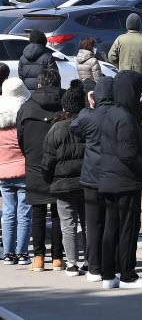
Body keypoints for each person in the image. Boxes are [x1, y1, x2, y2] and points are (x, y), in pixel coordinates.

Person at [99, 70, 142, 289]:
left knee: (111, 227)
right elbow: (128, 154)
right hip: (125, 181)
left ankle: (108, 274)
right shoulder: (126, 118)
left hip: (110, 179)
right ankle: (128, 275)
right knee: (128, 228)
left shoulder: (112, 113)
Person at [17, 69, 63, 272]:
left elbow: (21, 138)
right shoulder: (66, 104)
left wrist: (30, 156)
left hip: (35, 164)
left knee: (37, 211)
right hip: (61, 165)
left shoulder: (26, 108)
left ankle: (38, 258)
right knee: (58, 212)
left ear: (38, 85)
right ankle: (58, 258)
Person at [42, 81, 88, 276]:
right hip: (87, 183)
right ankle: (89, 260)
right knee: (89, 224)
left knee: (68, 224)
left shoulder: (56, 128)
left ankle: (71, 263)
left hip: (62, 184)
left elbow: (48, 159)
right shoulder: (88, 125)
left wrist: (48, 178)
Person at [70, 76, 113, 282]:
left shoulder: (89, 116)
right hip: (113, 175)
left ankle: (94, 268)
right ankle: (111, 266)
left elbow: (75, 129)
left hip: (90, 176)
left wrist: (89, 106)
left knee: (93, 224)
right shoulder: (118, 115)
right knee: (112, 222)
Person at [0, 78, 31, 266]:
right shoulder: (23, 119)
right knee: (24, 213)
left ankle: (8, 253)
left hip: (3, 171)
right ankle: (22, 254)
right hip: (23, 170)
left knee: (9, 213)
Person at [108, 13, 142, 95]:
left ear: (127, 25)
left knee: (125, 98)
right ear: (139, 25)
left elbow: (111, 57)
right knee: (139, 98)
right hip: (141, 74)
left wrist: (121, 64)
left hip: (124, 74)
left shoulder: (120, 39)